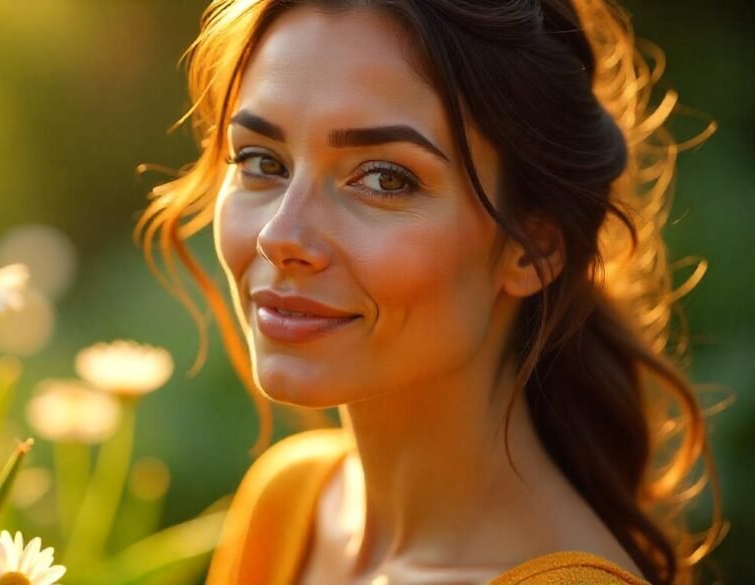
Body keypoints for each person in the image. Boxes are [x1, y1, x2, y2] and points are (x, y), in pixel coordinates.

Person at [134, 0, 726, 583]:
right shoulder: (289, 505)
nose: (279, 237)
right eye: (262, 161)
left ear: (533, 247)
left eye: (384, 178)